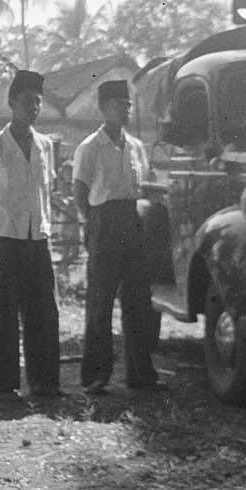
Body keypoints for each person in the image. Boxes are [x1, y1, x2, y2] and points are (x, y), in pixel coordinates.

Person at [0, 69, 60, 400]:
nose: (34, 107)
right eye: (27, 101)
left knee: (43, 312)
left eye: (38, 102)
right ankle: (1, 386)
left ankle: (44, 383)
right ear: (12, 104)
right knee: (2, 312)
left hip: (37, 238)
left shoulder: (45, 146)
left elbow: (45, 190)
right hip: (5, 237)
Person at [72, 79, 162, 395]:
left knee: (138, 301)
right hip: (103, 222)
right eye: (119, 104)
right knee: (101, 301)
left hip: (132, 220)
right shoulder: (90, 147)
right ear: (104, 108)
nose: (126, 109)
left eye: (128, 104)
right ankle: (96, 376)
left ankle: (140, 375)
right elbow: (80, 192)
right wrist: (92, 224)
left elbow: (145, 185)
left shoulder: (136, 146)